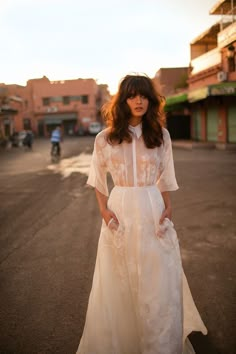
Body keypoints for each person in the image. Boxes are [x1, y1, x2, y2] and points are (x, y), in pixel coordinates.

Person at [76, 74, 207, 354]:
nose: (139, 101)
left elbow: (165, 177)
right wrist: (103, 209)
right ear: (123, 100)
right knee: (119, 279)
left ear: (151, 100)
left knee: (158, 279)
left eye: (144, 95)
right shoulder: (105, 138)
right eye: (133, 95)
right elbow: (98, 179)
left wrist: (168, 205)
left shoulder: (161, 135)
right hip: (120, 209)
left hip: (152, 209)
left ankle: (159, 344)